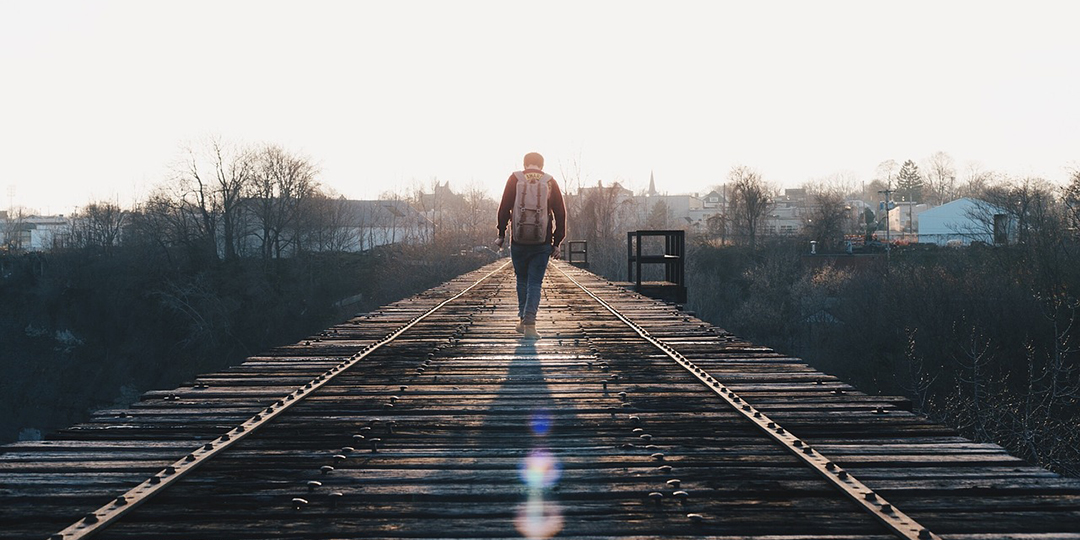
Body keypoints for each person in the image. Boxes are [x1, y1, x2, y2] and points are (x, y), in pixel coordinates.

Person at [495, 152, 566, 339]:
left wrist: (501, 234)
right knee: (535, 282)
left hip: (518, 241)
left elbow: (504, 208)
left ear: (525, 164)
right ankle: (530, 325)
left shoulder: (515, 178)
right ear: (541, 166)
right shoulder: (550, 181)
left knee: (522, 280)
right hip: (542, 242)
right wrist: (557, 242)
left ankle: (522, 319)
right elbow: (560, 213)